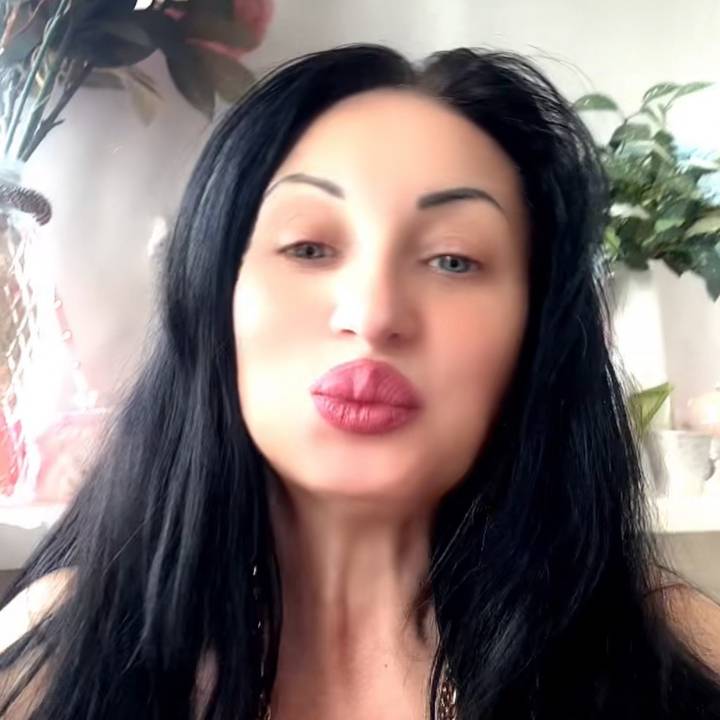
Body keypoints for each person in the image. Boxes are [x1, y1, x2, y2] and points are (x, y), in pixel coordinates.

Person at [1, 43, 720, 720]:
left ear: (536, 333)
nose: (373, 315)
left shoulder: (677, 657)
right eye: (308, 247)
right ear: (212, 295)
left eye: (453, 260)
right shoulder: (56, 659)